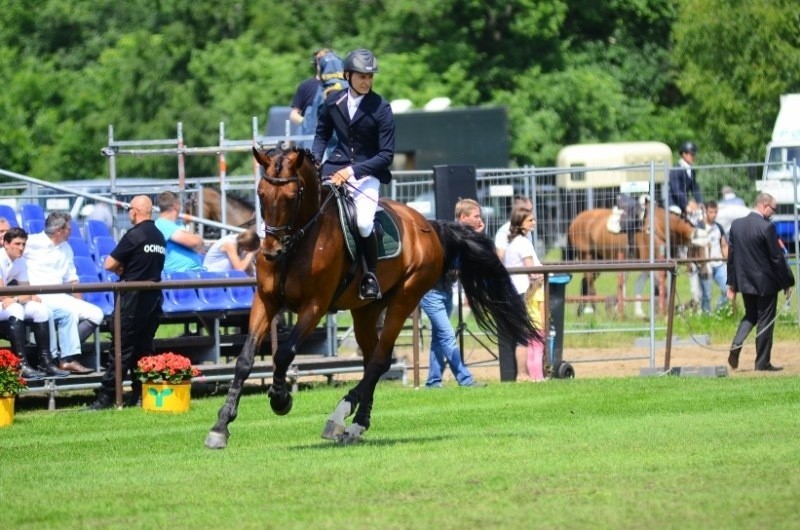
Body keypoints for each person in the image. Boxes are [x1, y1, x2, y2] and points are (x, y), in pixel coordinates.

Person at [311, 48, 395, 300]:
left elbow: (386, 155)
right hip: (333, 168)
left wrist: (352, 171)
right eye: (362, 77)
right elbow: (322, 134)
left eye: (370, 77)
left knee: (363, 222)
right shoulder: (332, 102)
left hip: (366, 173)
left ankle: (370, 275)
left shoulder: (381, 108)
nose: (367, 82)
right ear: (347, 76)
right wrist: (315, 160)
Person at [88, 196, 166, 410]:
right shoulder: (159, 236)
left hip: (131, 299)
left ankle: (107, 397)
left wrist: (123, 269)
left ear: (135, 211)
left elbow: (109, 263)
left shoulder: (135, 235)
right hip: (152, 299)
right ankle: (140, 393)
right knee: (143, 348)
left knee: (121, 349)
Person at [23, 212, 102, 374]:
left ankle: (61, 352)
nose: (71, 231)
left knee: (96, 314)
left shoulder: (66, 248)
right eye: (69, 228)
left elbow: (72, 280)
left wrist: (79, 301)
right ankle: (67, 359)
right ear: (59, 230)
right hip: (39, 296)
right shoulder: (31, 242)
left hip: (60, 295)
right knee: (69, 313)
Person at [420, 198, 486, 388]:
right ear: (463, 217)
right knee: (447, 336)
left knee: (439, 340)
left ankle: (433, 382)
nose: (479, 220)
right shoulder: (448, 234)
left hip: (446, 291)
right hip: (431, 293)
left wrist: (477, 236)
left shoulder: (465, 235)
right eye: (476, 216)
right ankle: (466, 380)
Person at [726, 193, 795, 371]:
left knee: (750, 315)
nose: (774, 213)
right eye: (773, 209)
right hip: (766, 284)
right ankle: (762, 362)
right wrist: (788, 281)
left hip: (744, 282)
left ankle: (736, 344)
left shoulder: (736, 225)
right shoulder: (766, 227)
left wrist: (732, 284)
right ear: (764, 206)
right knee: (765, 321)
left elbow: (731, 257)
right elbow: (777, 258)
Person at [0, 227, 69, 379]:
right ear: (5, 243)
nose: (21, 248)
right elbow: (2, 294)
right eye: (17, 244)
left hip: (8, 302)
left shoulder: (20, 261)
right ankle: (21, 364)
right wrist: (18, 298)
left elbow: (27, 291)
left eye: (23, 244)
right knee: (15, 309)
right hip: (4, 303)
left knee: (41, 310)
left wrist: (17, 298)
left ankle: (45, 361)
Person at [501, 207, 540, 381]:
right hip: (523, 292)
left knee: (520, 334)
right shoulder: (523, 243)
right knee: (523, 335)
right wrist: (540, 277)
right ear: (521, 223)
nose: (533, 222)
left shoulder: (512, 242)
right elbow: (531, 271)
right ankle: (522, 373)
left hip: (513, 291)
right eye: (530, 220)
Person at [155, 191, 205, 273]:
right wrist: (198, 239)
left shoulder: (173, 225)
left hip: (190, 274)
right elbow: (194, 242)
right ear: (176, 206)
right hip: (180, 276)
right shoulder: (162, 224)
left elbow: (199, 246)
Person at [697, 201, 729, 314]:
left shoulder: (719, 227)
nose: (714, 214)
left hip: (719, 264)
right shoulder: (699, 226)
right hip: (706, 265)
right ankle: (706, 316)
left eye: (715, 212)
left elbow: (724, 245)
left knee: (727, 290)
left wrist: (727, 261)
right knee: (707, 295)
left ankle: (718, 312)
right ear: (705, 211)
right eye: (711, 212)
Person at [668, 141, 703, 219]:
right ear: (684, 154)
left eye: (694, 154)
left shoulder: (691, 170)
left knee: (699, 214)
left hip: (684, 202)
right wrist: (687, 203)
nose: (694, 157)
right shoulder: (676, 169)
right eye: (692, 154)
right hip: (673, 203)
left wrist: (700, 202)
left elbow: (695, 188)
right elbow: (676, 190)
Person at [494, 195, 533, 262]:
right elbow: (500, 259)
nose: (531, 213)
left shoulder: (527, 230)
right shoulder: (503, 232)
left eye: (531, 210)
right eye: (528, 211)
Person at [524, 276, 546, 382]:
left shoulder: (528, 294)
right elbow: (542, 312)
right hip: (538, 326)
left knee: (530, 352)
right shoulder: (540, 294)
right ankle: (539, 377)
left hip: (529, 326)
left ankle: (532, 377)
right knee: (538, 352)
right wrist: (545, 326)